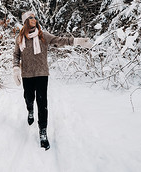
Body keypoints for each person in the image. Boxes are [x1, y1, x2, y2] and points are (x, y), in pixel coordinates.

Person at [12, 11, 93, 150]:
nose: (34, 19)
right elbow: (16, 55)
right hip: (26, 75)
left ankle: (43, 132)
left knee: (42, 103)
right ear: (26, 21)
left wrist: (77, 42)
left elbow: (59, 40)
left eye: (35, 17)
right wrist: (15, 69)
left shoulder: (43, 35)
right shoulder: (20, 38)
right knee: (28, 97)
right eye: (30, 18)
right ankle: (30, 110)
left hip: (42, 74)